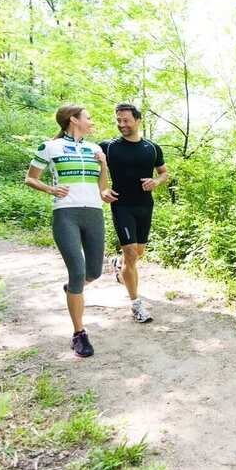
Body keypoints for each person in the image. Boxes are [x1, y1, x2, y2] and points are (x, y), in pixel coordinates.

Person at [24, 104, 108, 358]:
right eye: (88, 118)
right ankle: (79, 334)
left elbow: (102, 188)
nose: (91, 122)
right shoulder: (49, 147)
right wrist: (50, 190)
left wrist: (103, 165)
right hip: (66, 214)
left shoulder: (95, 149)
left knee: (94, 272)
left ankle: (73, 289)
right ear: (74, 120)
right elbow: (31, 178)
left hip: (93, 212)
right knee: (78, 271)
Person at [99, 103, 167, 323]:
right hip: (121, 205)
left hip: (145, 205)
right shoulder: (107, 147)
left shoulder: (152, 148)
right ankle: (136, 305)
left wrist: (155, 182)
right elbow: (91, 172)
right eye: (119, 120)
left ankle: (119, 266)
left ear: (138, 120)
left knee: (138, 253)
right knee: (131, 254)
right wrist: (102, 190)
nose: (122, 125)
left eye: (126, 120)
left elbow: (163, 173)